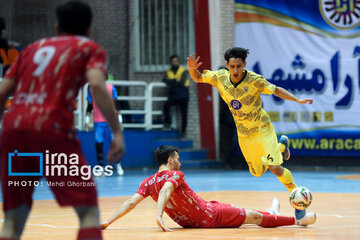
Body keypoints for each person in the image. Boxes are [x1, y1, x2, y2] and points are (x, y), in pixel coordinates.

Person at [0, 1, 125, 240]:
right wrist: (117, 132)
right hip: (52, 131)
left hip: (13, 132)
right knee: (88, 214)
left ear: (57, 27)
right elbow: (97, 84)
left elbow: (3, 90)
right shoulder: (88, 47)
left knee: (13, 221)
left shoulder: (32, 49)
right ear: (88, 30)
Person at [186, 48, 313, 220]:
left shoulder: (254, 80)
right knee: (257, 172)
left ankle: (297, 199)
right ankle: (281, 146)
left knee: (274, 168)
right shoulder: (220, 78)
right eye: (232, 66)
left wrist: (297, 99)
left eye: (239, 66)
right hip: (244, 135)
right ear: (227, 66)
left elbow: (276, 90)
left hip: (262, 128)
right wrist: (192, 69)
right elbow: (199, 77)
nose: (236, 70)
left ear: (244, 64)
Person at [101, 145, 316, 232]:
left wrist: (108, 222)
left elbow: (130, 202)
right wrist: (159, 215)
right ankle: (297, 221)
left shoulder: (147, 181)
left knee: (233, 207)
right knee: (252, 217)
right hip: (208, 216)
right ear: (170, 160)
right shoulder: (175, 175)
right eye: (178, 158)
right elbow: (167, 189)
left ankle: (272, 214)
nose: (180, 162)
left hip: (191, 219)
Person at [85, 80, 124, 176]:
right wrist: (86, 121)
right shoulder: (92, 89)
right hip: (98, 122)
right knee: (99, 144)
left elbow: (116, 103)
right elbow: (89, 106)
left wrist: (120, 120)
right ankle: (100, 167)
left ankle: (118, 165)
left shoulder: (111, 88)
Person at [163, 55, 190, 138]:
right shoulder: (168, 72)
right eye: (173, 61)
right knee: (166, 105)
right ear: (171, 62)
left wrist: (171, 82)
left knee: (184, 114)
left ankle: (183, 131)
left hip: (183, 95)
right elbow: (164, 80)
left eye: (176, 61)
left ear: (178, 62)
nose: (174, 62)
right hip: (174, 95)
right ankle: (168, 123)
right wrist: (175, 80)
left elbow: (182, 82)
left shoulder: (184, 71)